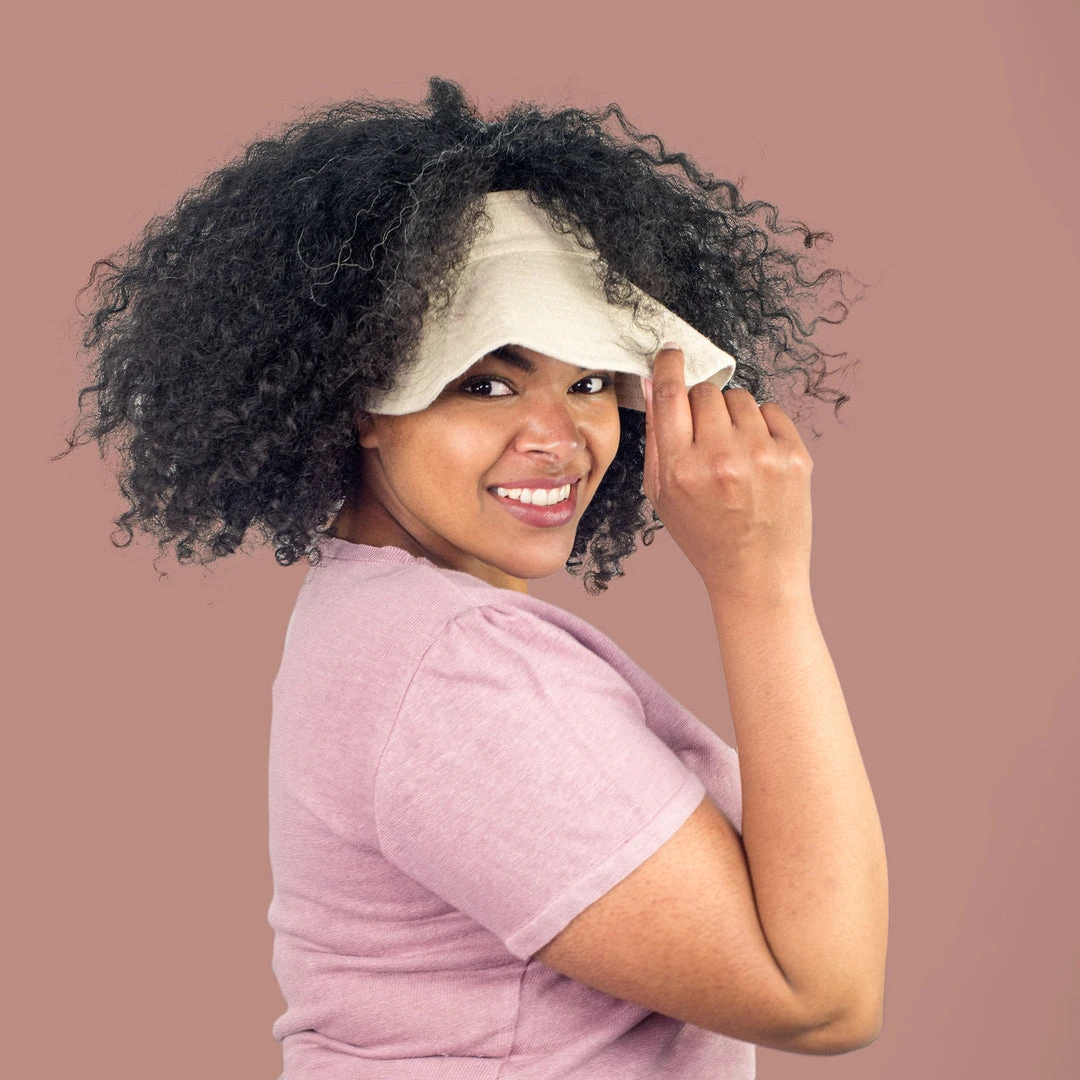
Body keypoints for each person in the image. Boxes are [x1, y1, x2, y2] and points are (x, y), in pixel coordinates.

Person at [57, 77, 888, 1079]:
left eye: (590, 380)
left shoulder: (379, 614)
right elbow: (823, 998)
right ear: (361, 401)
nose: (560, 437)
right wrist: (762, 583)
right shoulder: (456, 665)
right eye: (488, 383)